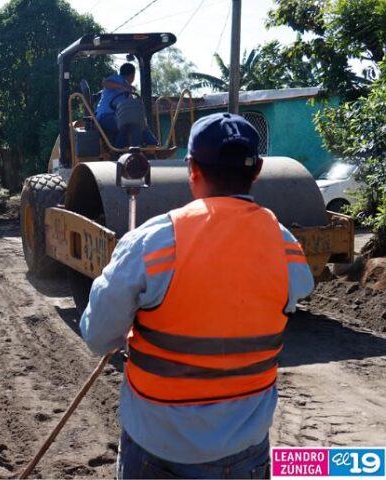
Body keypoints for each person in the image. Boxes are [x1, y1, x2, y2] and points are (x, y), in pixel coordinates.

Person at [80, 113, 315, 479]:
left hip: (158, 449)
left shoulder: (153, 242)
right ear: (257, 172)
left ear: (192, 169)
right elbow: (286, 294)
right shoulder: (286, 247)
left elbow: (98, 336)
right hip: (246, 451)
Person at [95, 63, 157, 148]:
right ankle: (119, 150)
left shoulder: (127, 90)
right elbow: (105, 83)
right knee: (128, 123)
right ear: (132, 75)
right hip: (105, 117)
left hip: (118, 117)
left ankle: (154, 146)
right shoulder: (117, 79)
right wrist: (124, 86)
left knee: (140, 122)